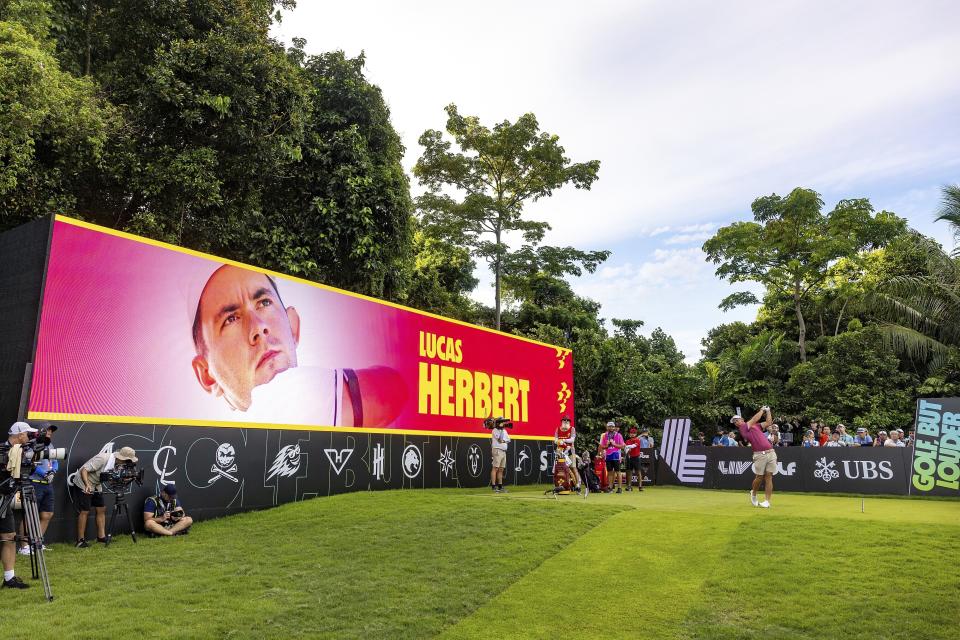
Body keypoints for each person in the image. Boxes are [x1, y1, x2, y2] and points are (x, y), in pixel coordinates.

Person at [190, 264, 404, 426]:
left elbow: (394, 389)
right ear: (207, 374)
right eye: (231, 319)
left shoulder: (310, 393)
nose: (259, 327)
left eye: (264, 303)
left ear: (293, 327)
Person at [72, 446, 138, 547]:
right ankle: (80, 541)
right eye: (128, 460)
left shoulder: (118, 464)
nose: (128, 463)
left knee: (101, 508)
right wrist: (87, 484)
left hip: (96, 483)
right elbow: (84, 470)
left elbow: (109, 477)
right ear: (121, 458)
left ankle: (101, 537)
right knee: (85, 511)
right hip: (83, 482)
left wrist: (125, 480)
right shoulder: (103, 459)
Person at [1, 422, 36, 589]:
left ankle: (9, 579)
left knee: (9, 536)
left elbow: (29, 471)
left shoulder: (23, 452)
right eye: (27, 433)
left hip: (4, 500)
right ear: (19, 434)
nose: (29, 437)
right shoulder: (2, 450)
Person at [18, 423, 58, 556]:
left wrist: (53, 472)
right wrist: (44, 473)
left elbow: (55, 461)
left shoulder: (50, 445)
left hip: (48, 485)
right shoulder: (31, 444)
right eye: (48, 430)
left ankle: (37, 543)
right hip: (33, 482)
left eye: (51, 431)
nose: (50, 432)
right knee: (29, 515)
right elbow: (29, 463)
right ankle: (24, 546)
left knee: (47, 514)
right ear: (40, 431)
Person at [733, 407, 776, 508]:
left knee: (769, 476)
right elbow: (754, 419)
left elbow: (768, 422)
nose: (736, 422)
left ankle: (767, 501)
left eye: (737, 420)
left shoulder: (756, 426)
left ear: (742, 419)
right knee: (759, 477)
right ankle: (754, 493)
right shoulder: (743, 428)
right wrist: (762, 410)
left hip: (771, 452)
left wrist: (768, 411)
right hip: (759, 454)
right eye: (734, 422)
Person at [554, 416, 580, 492]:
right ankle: (560, 485)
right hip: (560, 451)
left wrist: (564, 440)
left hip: (570, 451)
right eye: (564, 420)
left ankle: (577, 485)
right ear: (562, 421)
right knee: (559, 469)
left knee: (573, 467)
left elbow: (572, 439)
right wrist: (558, 441)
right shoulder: (558, 429)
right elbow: (555, 439)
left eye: (567, 421)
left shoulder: (572, 429)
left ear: (569, 422)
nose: (566, 422)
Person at [599, 422, 625, 493]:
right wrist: (607, 445)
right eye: (609, 427)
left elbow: (622, 446)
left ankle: (619, 488)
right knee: (610, 472)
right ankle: (610, 487)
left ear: (614, 427)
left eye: (612, 427)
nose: (611, 428)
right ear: (607, 427)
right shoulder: (605, 436)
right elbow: (602, 446)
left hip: (616, 455)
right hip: (608, 456)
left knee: (618, 472)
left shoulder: (618, 435)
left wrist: (614, 444)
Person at [490, 421, 510, 493]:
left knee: (501, 469)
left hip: (504, 451)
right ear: (498, 423)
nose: (503, 423)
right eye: (502, 422)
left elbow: (509, 439)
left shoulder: (504, 430)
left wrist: (504, 441)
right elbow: (499, 440)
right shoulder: (495, 430)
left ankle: (500, 486)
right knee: (495, 468)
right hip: (497, 450)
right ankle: (493, 486)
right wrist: (502, 431)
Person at [624, 427, 644, 491]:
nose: (632, 434)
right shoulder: (627, 441)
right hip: (629, 457)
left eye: (634, 433)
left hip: (636, 457)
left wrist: (627, 447)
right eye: (631, 433)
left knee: (638, 472)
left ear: (636, 434)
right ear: (629, 434)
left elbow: (634, 446)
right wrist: (627, 450)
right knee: (629, 472)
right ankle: (629, 486)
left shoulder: (637, 440)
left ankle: (640, 486)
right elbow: (626, 450)